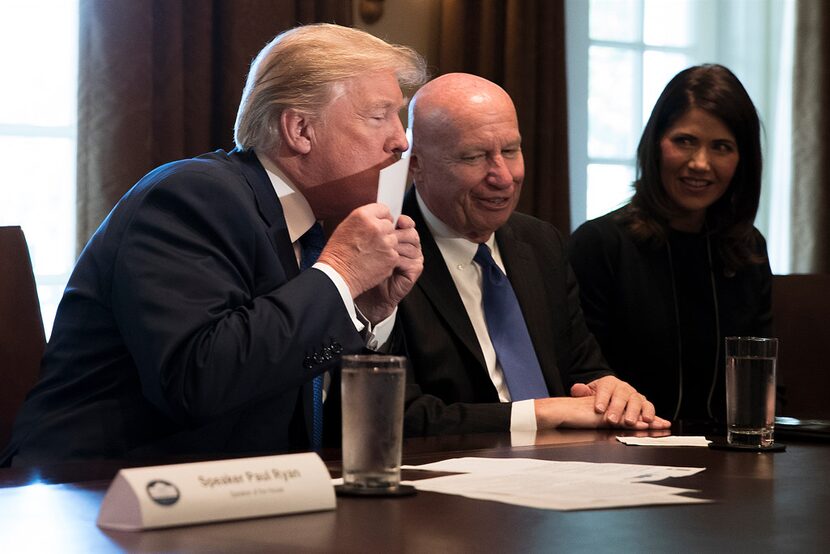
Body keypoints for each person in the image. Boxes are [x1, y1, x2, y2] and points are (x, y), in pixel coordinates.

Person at [1, 24, 427, 466]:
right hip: (93, 494)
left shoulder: (309, 230)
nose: (400, 140)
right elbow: (197, 381)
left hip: (246, 495)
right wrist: (341, 274)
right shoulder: (191, 197)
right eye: (380, 116)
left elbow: (307, 408)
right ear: (300, 129)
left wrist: (362, 310)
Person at [399, 72, 671, 436]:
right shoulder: (388, 255)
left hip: (562, 470)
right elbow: (401, 415)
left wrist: (609, 388)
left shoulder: (541, 243)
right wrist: (539, 414)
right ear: (415, 164)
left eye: (510, 151)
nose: (504, 176)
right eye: (474, 156)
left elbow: (582, 367)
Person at [568, 64, 772, 428]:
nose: (700, 164)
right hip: (623, 452)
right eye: (685, 141)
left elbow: (762, 381)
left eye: (721, 147)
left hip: (729, 457)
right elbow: (582, 377)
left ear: (743, 160)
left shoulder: (747, 248)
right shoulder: (599, 244)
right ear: (656, 144)